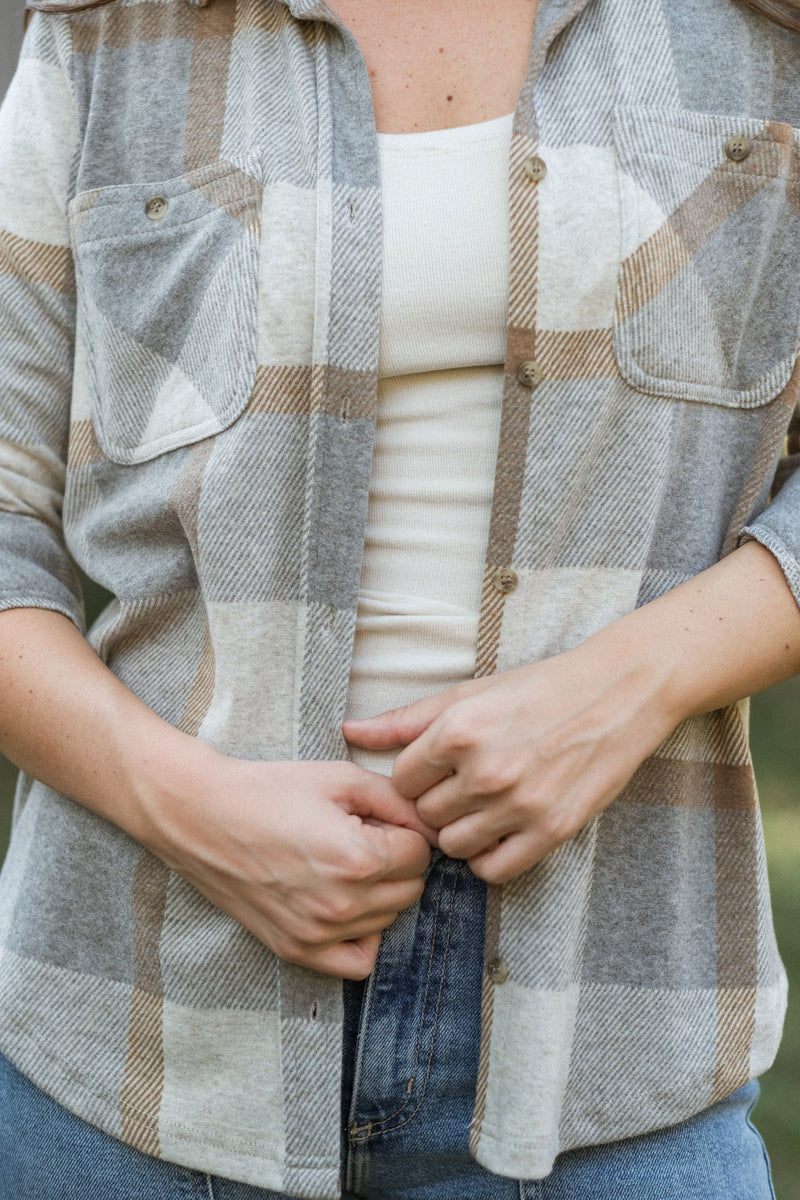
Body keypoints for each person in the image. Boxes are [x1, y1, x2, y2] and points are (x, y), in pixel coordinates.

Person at [0, 0, 799, 1195]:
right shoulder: (108, 37)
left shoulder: (758, 34)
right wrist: (192, 811)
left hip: (610, 1038)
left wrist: (629, 685)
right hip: (138, 1038)